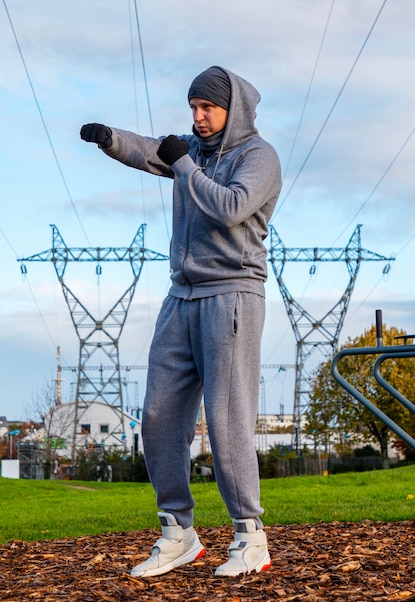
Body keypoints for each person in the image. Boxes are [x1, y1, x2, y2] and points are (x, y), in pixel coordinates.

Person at [80, 65, 282, 578]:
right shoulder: (194, 151)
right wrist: (111, 140)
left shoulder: (258, 157)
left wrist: (187, 168)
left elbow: (232, 209)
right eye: (192, 107)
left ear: (231, 108)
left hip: (232, 296)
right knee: (159, 416)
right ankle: (178, 532)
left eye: (207, 108)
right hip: (181, 298)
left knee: (226, 420)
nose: (198, 117)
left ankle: (250, 536)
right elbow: (153, 150)